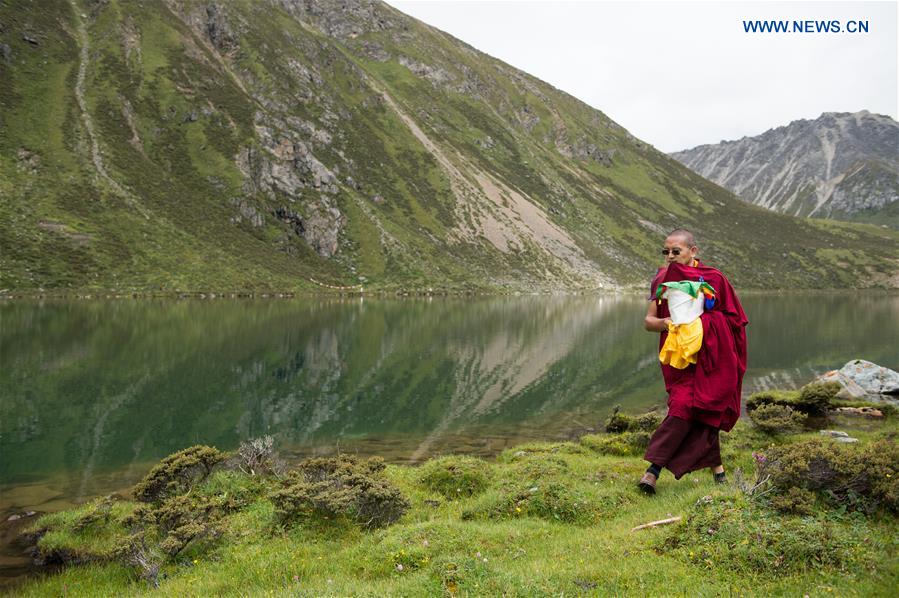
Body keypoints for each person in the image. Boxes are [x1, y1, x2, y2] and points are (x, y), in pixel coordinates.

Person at [638, 229, 748, 494]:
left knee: (706, 408)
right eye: (666, 252)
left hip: (712, 356)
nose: (670, 256)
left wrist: (704, 325)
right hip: (678, 358)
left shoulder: (713, 279)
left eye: (676, 251)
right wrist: (667, 323)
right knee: (682, 407)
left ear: (693, 251)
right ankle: (715, 472)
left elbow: (734, 320)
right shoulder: (662, 280)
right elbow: (648, 322)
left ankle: (653, 472)